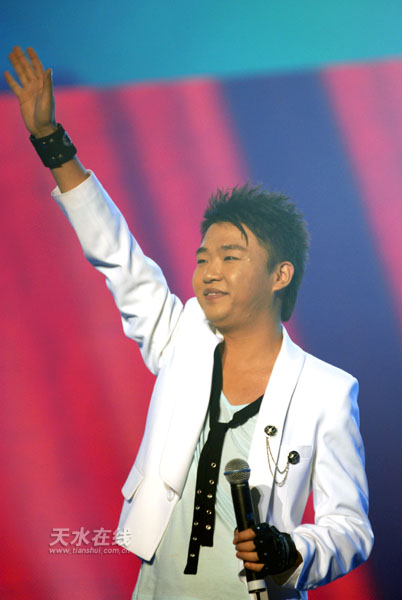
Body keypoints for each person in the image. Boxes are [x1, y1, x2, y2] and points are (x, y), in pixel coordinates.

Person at [5, 47, 373, 600]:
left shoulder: (328, 391)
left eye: (230, 256)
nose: (209, 271)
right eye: (203, 258)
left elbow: (351, 527)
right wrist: (51, 142)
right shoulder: (184, 339)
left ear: (280, 274)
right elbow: (120, 258)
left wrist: (290, 549)